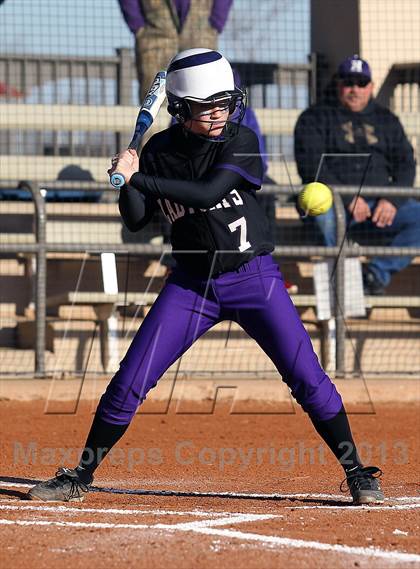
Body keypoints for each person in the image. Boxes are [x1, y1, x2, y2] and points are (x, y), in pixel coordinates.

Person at [28, 48, 384, 505]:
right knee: (130, 379)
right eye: (206, 106)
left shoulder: (240, 139)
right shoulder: (157, 150)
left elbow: (208, 191)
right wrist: (128, 171)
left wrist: (140, 181)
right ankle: (81, 474)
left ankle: (356, 470)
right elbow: (136, 219)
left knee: (306, 376)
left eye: (224, 102)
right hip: (191, 284)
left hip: (254, 277)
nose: (219, 112)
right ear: (179, 109)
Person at [294, 55, 419, 295]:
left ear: (371, 87)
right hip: (331, 203)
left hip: (378, 208)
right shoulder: (314, 117)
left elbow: (406, 166)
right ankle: (341, 288)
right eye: (348, 82)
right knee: (324, 218)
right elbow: (311, 165)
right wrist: (348, 197)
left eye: (361, 83)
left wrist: (392, 200)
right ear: (338, 84)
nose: (355, 90)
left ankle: (372, 276)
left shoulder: (387, 120)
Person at [117, 0, 233, 103]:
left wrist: (216, 22)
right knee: (155, 102)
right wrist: (138, 26)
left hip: (201, 35)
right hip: (153, 38)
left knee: (202, 98)